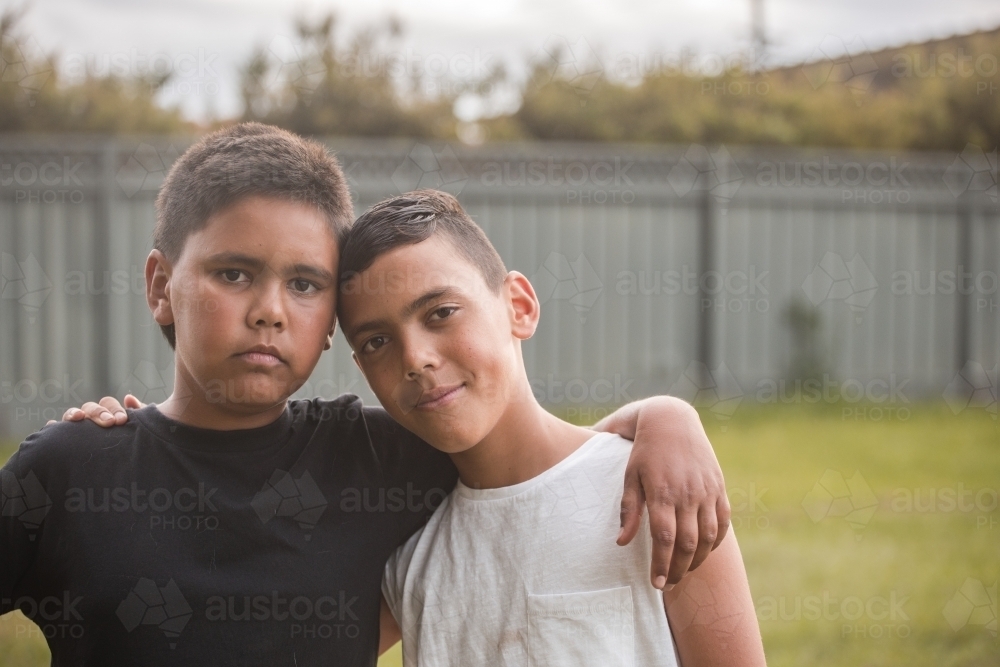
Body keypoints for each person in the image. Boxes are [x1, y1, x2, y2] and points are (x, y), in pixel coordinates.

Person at [2, 123, 730, 665]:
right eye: (233, 273)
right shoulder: (72, 468)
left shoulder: (375, 460)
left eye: (305, 284)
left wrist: (667, 415)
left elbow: (539, 475)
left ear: (327, 327)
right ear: (161, 285)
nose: (270, 309)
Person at [335, 190, 766, 666]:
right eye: (377, 342)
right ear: (361, 367)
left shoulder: (657, 492)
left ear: (518, 306)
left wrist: (670, 413)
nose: (415, 359)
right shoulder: (406, 546)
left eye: (440, 312)